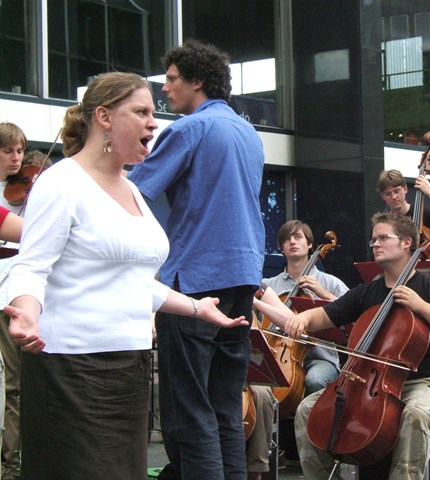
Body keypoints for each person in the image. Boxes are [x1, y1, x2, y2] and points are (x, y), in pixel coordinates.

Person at [2, 72, 248, 480]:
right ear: (103, 117)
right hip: (71, 372)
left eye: (154, 112)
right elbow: (31, 265)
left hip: (129, 370)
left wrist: (195, 307)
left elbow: (131, 280)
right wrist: (26, 313)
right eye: (141, 112)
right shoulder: (61, 182)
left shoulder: (132, 188)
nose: (154, 122)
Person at [127, 39, 265, 480]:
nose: (164, 89)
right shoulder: (248, 133)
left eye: (171, 79)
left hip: (195, 279)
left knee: (190, 408)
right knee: (225, 404)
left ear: (197, 81)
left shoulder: (188, 130)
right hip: (243, 276)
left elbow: (132, 194)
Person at [283, 213, 430, 480]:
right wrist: (303, 318)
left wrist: (421, 306)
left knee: (417, 414)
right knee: (306, 409)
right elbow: (325, 315)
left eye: (383, 237)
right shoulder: (366, 293)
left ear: (408, 243)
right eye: (374, 239)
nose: (375, 244)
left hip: (422, 383)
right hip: (366, 382)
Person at [248, 220, 349, 480]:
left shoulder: (329, 281)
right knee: (261, 388)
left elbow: (354, 312)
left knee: (315, 380)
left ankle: (319, 457)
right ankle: (265, 460)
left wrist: (321, 292)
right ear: (282, 247)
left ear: (310, 245)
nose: (293, 242)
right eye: (287, 239)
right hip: (280, 353)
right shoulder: (268, 284)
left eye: (299, 238)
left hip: (320, 356)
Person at [0, 122, 28, 480]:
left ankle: (12, 458)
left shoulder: (25, 194)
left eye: (20, 151)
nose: (17, 158)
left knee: (15, 385)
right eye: (9, 150)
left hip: (11, 294)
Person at [377, 168, 430, 234]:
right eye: (388, 194)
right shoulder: (383, 224)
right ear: (382, 196)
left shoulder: (426, 214)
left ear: (405, 189)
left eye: (396, 191)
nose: (394, 197)